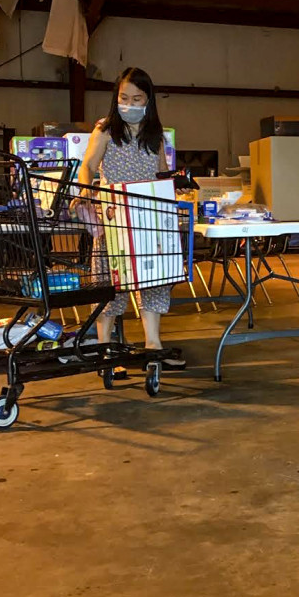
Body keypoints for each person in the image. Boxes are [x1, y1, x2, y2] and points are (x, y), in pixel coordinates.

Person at [77, 67, 185, 370]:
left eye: (136, 98)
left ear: (148, 100)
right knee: (111, 283)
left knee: (154, 281)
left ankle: (153, 345)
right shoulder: (106, 129)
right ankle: (105, 350)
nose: (129, 104)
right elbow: (88, 166)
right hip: (113, 216)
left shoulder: (156, 136)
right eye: (124, 97)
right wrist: (86, 194)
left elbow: (162, 173)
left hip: (148, 218)